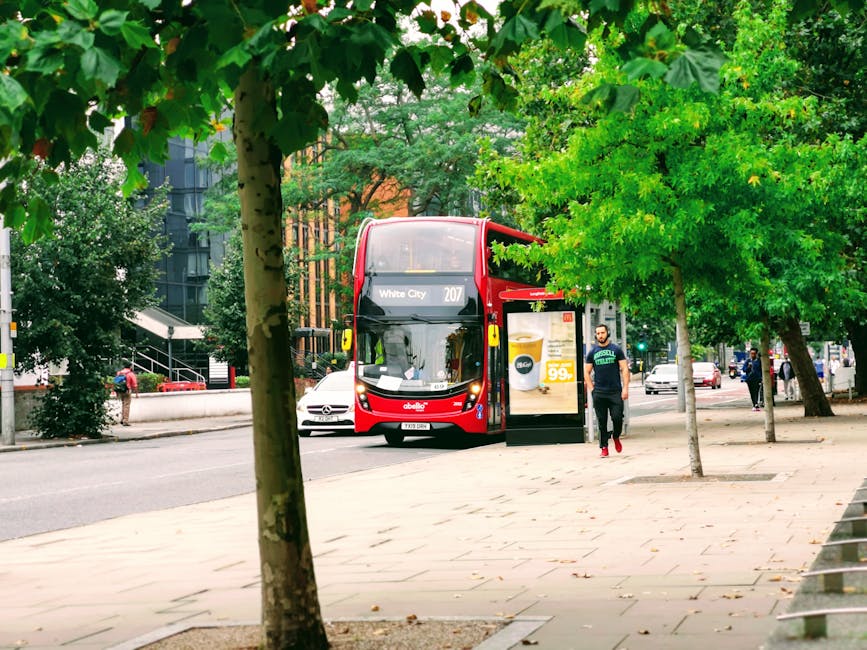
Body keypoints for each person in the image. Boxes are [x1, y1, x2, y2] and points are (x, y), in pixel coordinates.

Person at [584, 323, 630, 458]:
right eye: (598, 333)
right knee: (601, 421)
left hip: (615, 391)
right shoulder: (592, 352)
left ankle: (616, 436)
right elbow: (586, 372)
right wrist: (592, 389)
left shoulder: (616, 350)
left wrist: (625, 388)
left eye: (602, 333)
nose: (600, 335)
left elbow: (625, 369)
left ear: (607, 333)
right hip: (599, 392)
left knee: (617, 418)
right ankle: (604, 447)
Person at [115, 361, 139, 426]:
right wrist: (136, 393)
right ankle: (126, 421)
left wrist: (116, 392)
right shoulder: (131, 374)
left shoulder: (119, 372)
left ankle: (122, 419)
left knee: (123, 404)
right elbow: (135, 385)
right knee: (127, 405)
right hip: (127, 391)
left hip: (120, 391)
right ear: (130, 366)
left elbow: (116, 382)